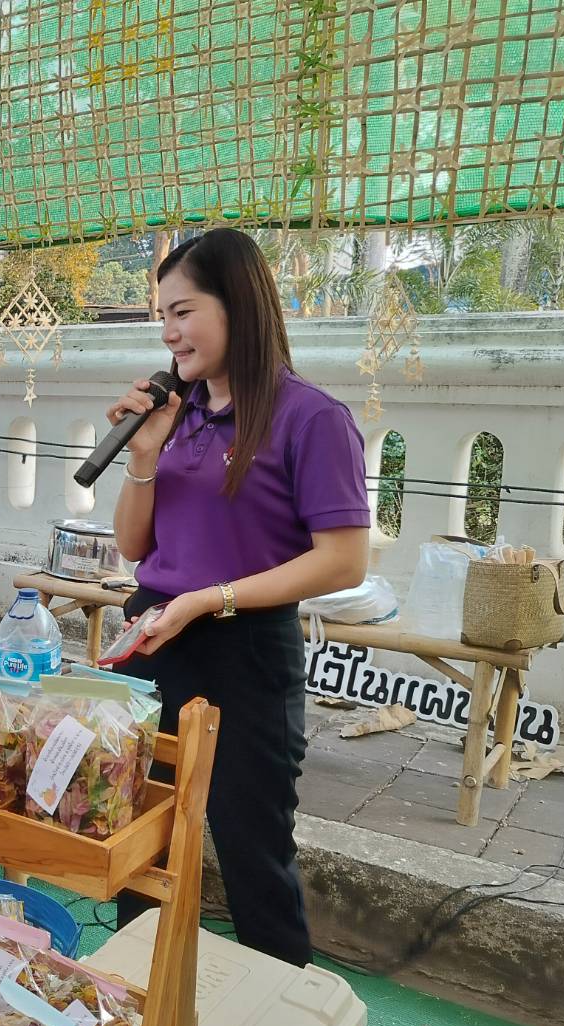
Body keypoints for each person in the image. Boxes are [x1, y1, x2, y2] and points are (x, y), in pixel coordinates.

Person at [108, 228, 370, 967]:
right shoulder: (176, 411)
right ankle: (136, 1001)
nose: (168, 332)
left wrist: (210, 599)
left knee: (250, 848)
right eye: (161, 315)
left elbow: (342, 561)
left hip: (246, 652)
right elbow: (134, 548)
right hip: (155, 637)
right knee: (138, 835)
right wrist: (143, 454)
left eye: (183, 310)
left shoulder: (309, 418)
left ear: (238, 306)